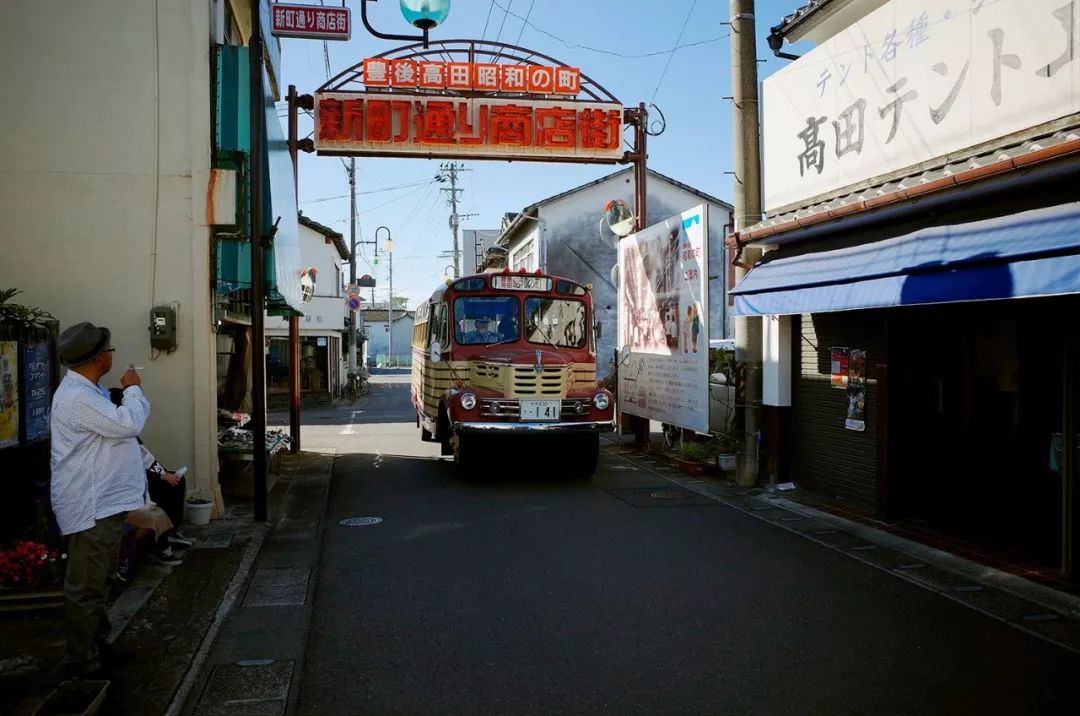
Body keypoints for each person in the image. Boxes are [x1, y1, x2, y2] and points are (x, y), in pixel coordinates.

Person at [51, 321, 148, 678]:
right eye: (109, 350)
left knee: (98, 580)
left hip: (100, 504)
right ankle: (81, 661)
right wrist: (134, 390)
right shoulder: (77, 397)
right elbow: (127, 425)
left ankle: (97, 647)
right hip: (90, 506)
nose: (111, 355)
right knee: (86, 586)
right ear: (98, 359)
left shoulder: (86, 393)